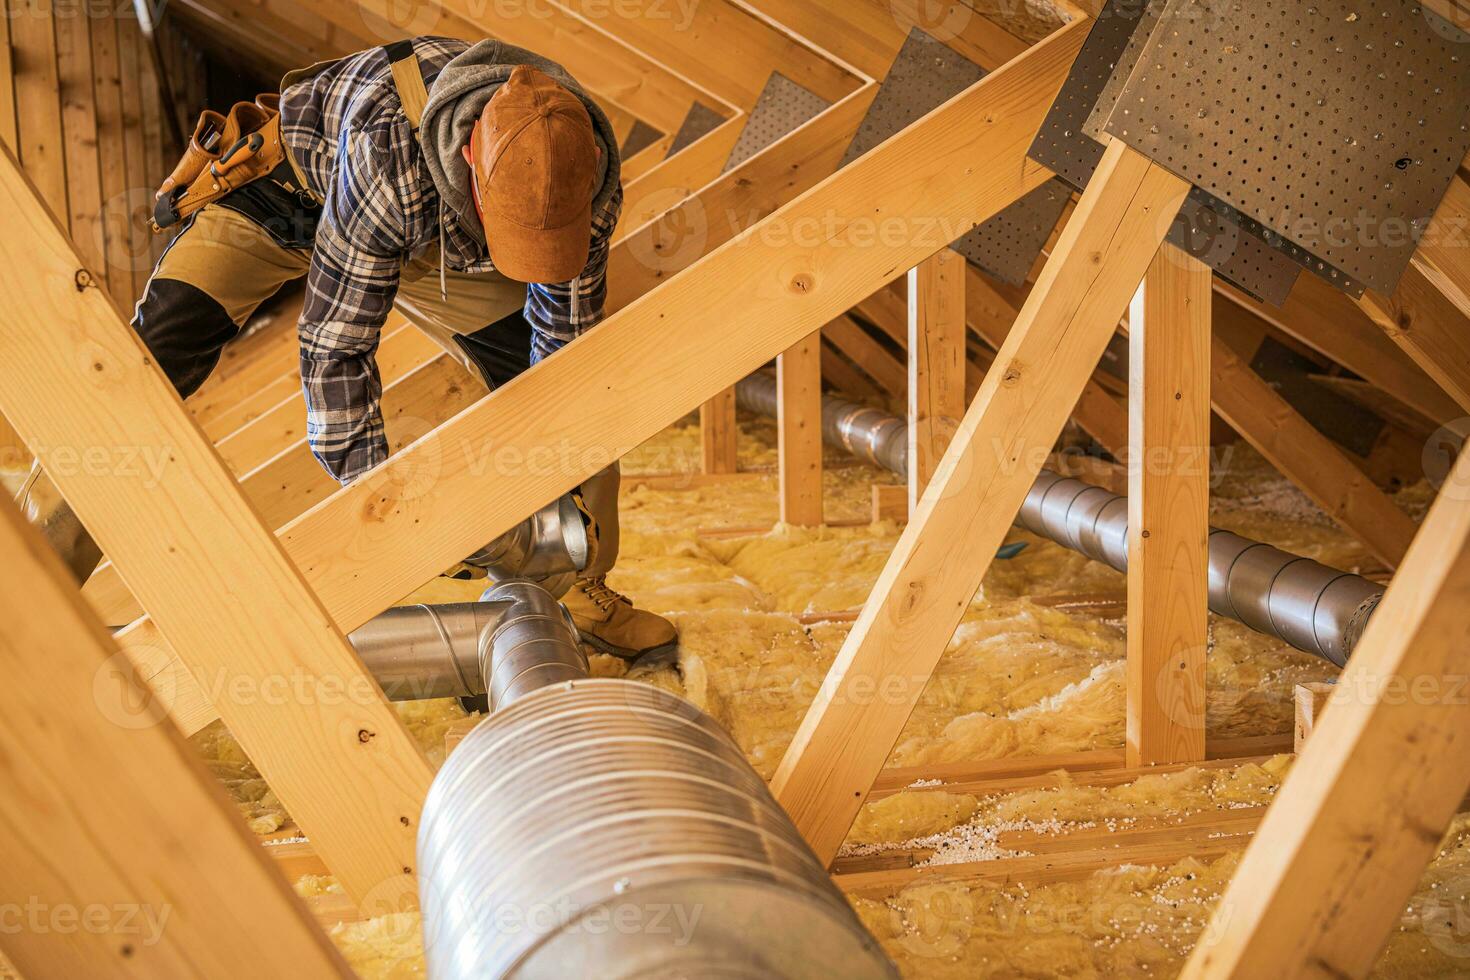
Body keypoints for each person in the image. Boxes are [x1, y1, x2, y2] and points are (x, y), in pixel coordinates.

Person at [14, 36, 677, 660]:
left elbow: (566, 353)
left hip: (434, 238)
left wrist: (548, 475)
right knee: (139, 369)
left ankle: (581, 586)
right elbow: (335, 346)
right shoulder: (391, 155)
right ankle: (26, 604)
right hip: (282, 196)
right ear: (471, 160)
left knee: (560, 381)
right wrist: (393, 504)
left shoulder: (579, 165)